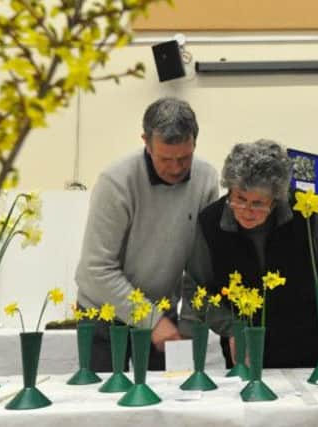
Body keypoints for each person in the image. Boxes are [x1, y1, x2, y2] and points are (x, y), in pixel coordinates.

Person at [181, 140, 318, 370]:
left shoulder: (305, 214)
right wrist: (230, 328)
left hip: (309, 353)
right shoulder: (210, 223)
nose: (247, 211)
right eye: (239, 199)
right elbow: (194, 289)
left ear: (277, 199)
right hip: (244, 356)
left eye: (258, 203)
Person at [75, 97, 219, 371]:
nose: (176, 168)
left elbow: (200, 267)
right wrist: (150, 321)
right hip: (103, 313)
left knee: (172, 401)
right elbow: (97, 269)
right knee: (103, 403)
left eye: (184, 158)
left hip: (162, 310)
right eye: (166, 158)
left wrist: (188, 325)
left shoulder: (206, 179)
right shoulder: (116, 182)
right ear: (146, 142)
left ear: (195, 143)